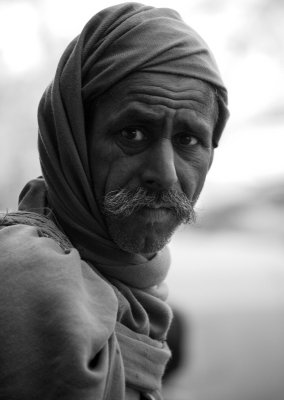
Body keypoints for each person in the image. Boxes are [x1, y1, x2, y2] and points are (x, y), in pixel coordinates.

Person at [0, 2, 229, 399]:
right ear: (71, 141)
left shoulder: (133, 287)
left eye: (188, 140)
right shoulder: (25, 278)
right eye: (133, 134)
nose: (166, 174)